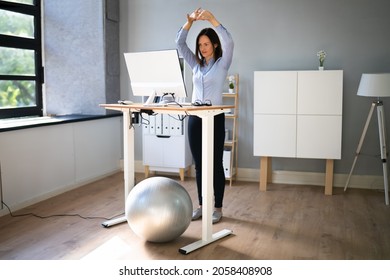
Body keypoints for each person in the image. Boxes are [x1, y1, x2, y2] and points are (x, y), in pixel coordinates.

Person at [175, 8, 234, 224]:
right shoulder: (195, 65)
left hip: (214, 117)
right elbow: (180, 45)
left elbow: (230, 43)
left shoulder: (222, 64)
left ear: (214, 45)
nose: (202, 48)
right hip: (195, 117)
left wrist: (212, 19)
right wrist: (189, 23)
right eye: (200, 45)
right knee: (199, 164)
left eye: (206, 44)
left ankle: (217, 207)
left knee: (216, 163)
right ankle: (202, 205)